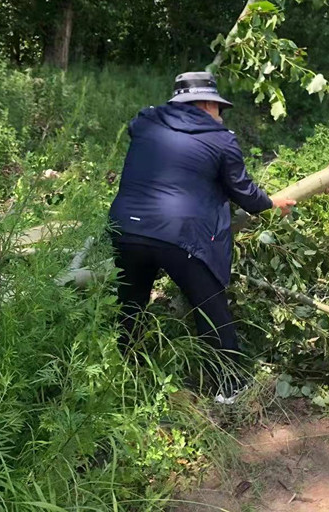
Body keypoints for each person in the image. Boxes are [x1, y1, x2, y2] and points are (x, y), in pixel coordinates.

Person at [108, 71, 295, 404]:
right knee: (210, 307)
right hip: (182, 235)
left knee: (131, 303)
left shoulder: (146, 122)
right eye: (219, 108)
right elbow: (245, 194)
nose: (221, 115)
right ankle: (230, 385)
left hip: (127, 227)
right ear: (208, 103)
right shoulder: (221, 138)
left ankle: (125, 373)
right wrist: (272, 202)